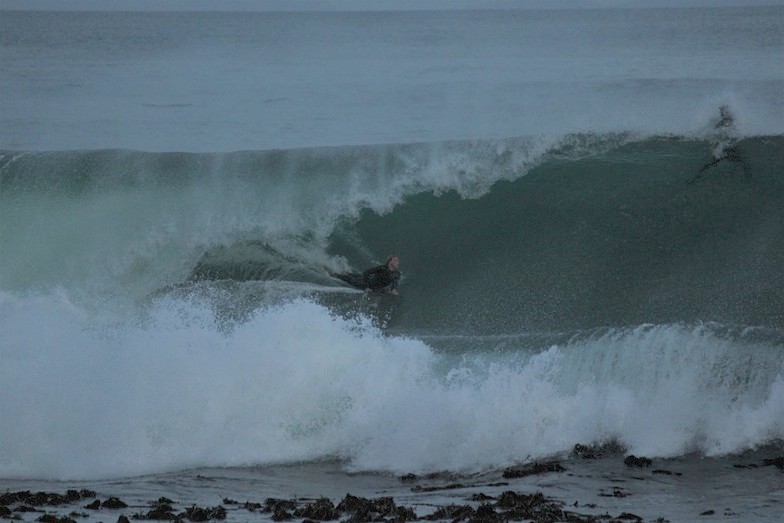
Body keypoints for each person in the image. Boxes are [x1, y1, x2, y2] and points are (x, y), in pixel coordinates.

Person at [333, 255, 401, 295]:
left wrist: (393, 289)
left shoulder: (397, 274)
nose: (398, 262)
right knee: (349, 279)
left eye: (398, 261)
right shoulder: (382, 268)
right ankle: (334, 273)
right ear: (390, 261)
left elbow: (395, 281)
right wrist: (366, 287)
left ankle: (345, 272)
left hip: (375, 286)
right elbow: (366, 273)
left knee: (353, 276)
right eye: (395, 260)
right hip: (366, 282)